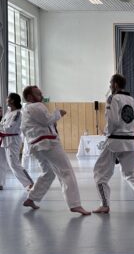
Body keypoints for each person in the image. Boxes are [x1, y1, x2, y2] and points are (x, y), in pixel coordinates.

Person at [21, 85, 91, 215]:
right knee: (66, 171)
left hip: (36, 146)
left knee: (48, 172)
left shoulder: (26, 110)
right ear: (30, 97)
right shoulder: (36, 106)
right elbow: (47, 120)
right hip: (48, 143)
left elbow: (40, 125)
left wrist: (52, 122)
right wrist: (59, 113)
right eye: (38, 93)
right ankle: (75, 204)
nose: (41, 95)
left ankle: (31, 198)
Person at [93, 74, 134, 213]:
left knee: (99, 173)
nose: (110, 86)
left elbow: (113, 121)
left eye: (111, 83)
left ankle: (105, 205)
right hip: (130, 140)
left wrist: (107, 132)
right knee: (130, 173)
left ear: (115, 84)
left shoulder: (112, 98)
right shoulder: (132, 100)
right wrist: (130, 128)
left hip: (115, 140)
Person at [0, 93, 34, 190]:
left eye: (8, 98)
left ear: (12, 100)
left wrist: (2, 129)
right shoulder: (8, 112)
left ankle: (29, 183)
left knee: (14, 163)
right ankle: (0, 183)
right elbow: (2, 124)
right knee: (1, 162)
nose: (6, 100)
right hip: (3, 140)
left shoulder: (18, 113)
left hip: (12, 140)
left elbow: (9, 128)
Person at [0, 105, 6, 190]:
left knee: (1, 163)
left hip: (2, 143)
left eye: (1, 111)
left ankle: (1, 183)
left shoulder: (4, 119)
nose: (0, 112)